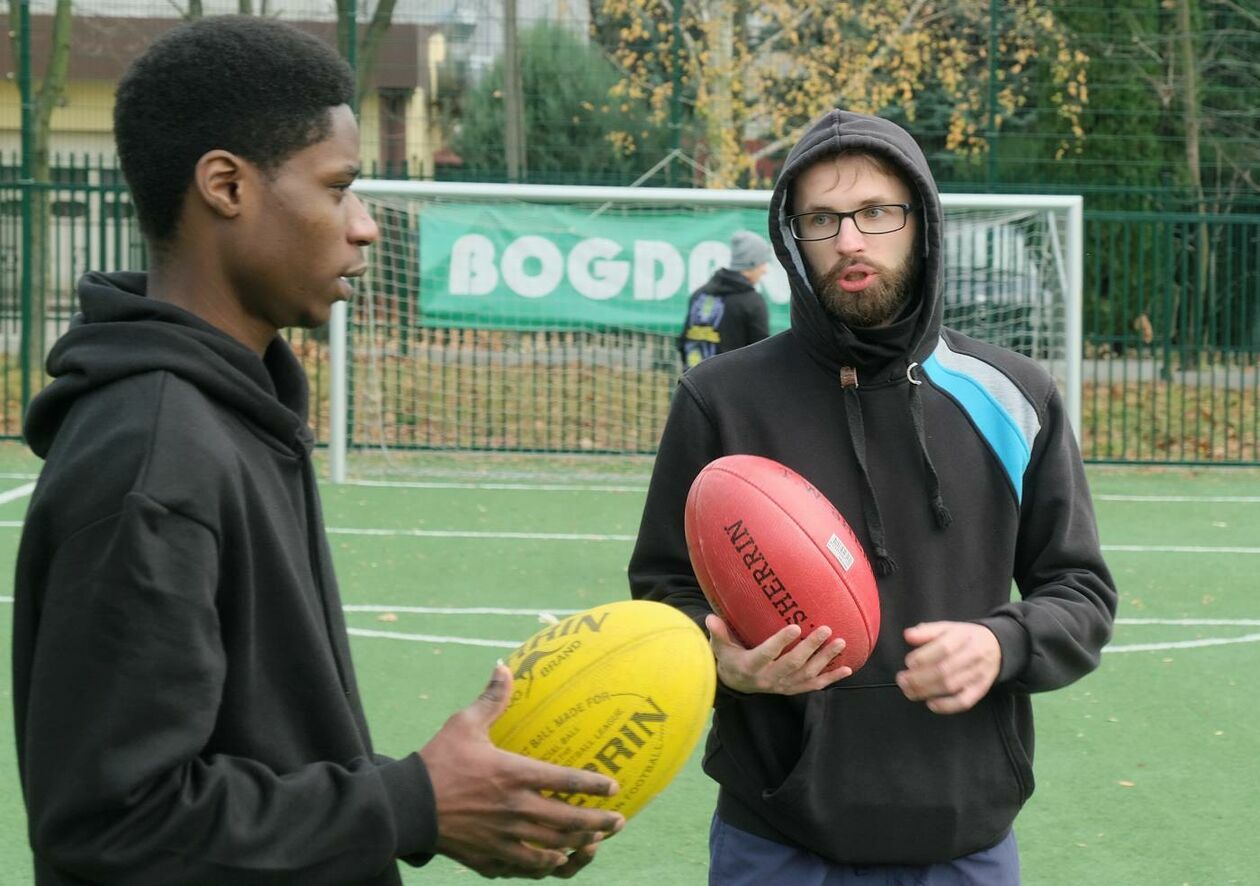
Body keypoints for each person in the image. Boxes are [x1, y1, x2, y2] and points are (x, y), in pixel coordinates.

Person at [11, 17, 623, 885]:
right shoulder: (153, 456)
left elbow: (258, 751)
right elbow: (114, 827)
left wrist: (437, 800)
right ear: (226, 185)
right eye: (339, 188)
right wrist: (410, 802)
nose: (365, 226)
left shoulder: (232, 412)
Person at [629, 109, 1117, 884]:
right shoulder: (720, 400)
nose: (849, 239)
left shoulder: (1017, 397)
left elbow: (1081, 593)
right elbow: (662, 595)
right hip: (779, 835)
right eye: (821, 218)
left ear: (921, 222)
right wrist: (725, 659)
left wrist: (1002, 644)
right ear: (793, 237)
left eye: (875, 212)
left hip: (964, 834)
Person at [678, 230, 773, 370]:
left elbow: (683, 342)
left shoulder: (699, 295)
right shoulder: (752, 302)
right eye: (763, 263)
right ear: (752, 262)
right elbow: (761, 354)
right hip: (732, 387)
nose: (765, 270)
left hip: (693, 383)